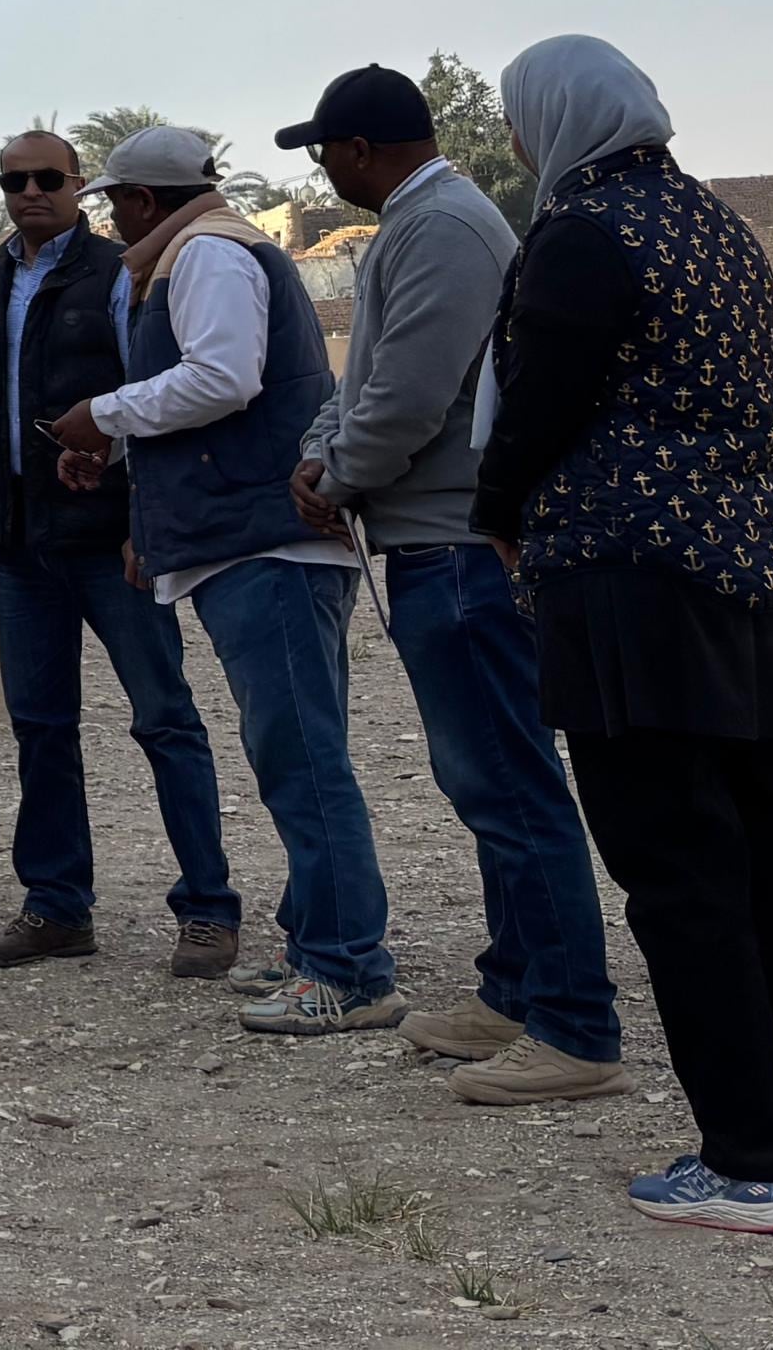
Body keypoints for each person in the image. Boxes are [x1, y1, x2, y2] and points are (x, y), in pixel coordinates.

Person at [471, 38, 773, 1234]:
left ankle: (744, 1160)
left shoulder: (579, 234)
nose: (515, 145)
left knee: (677, 874)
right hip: (751, 564)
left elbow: (540, 408)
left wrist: (493, 514)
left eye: (518, 122)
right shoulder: (714, 223)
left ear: (551, 120)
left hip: (631, 581)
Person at [282, 65, 625, 1104]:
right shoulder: (423, 223)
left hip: (457, 547)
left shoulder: (438, 227)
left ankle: (571, 1026)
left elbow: (407, 395)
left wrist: (336, 475)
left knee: (509, 788)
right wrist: (321, 451)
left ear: (352, 150)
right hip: (431, 542)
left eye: (323, 152)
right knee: (483, 783)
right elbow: (364, 383)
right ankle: (513, 990)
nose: (324, 169)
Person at [39, 125, 399, 1038]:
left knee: (304, 763)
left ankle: (350, 970)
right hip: (246, 543)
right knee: (292, 756)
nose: (111, 221)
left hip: (266, 547)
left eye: (114, 202)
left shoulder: (205, 255)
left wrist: (102, 414)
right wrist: (120, 458)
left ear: (143, 202)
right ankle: (318, 943)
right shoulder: (193, 256)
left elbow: (223, 378)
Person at [0, 127, 242, 979]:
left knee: (165, 719)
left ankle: (209, 909)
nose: (30, 193)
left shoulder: (120, 272)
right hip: (20, 544)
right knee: (40, 729)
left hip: (109, 544)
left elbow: (150, 398)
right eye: (15, 180)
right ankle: (57, 907)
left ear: (81, 186)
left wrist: (142, 520)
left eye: (49, 178)